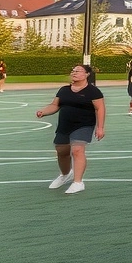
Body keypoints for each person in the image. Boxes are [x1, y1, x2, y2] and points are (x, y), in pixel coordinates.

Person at [35, 64, 105, 194]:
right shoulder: (64, 90)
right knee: (61, 151)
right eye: (73, 71)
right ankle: (65, 174)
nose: (74, 73)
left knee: (77, 150)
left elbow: (100, 108)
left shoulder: (93, 91)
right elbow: (55, 105)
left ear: (87, 74)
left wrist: (100, 127)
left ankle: (78, 182)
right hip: (65, 124)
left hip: (84, 124)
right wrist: (43, 112)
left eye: (78, 71)